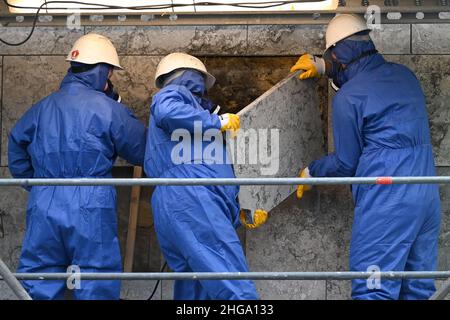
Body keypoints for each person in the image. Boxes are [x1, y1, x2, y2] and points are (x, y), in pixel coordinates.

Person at [291, 14, 441, 300]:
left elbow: (346, 163)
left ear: (337, 53)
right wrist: (324, 67)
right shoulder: (405, 76)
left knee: (373, 291)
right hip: (425, 196)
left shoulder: (348, 98)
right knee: (417, 290)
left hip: (387, 203)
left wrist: (312, 171)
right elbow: (367, 74)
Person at [8, 34, 147, 300]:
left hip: (45, 199)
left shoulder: (42, 108)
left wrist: (35, 185)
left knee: (41, 276)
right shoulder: (108, 110)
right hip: (91, 203)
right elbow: (142, 150)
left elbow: (16, 146)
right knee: (95, 277)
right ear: (103, 71)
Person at [144, 52, 259, 300]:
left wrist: (241, 207)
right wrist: (216, 121)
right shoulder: (176, 95)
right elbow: (167, 110)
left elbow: (214, 168)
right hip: (192, 196)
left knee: (196, 289)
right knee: (233, 286)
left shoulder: (190, 122)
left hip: (178, 201)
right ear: (191, 78)